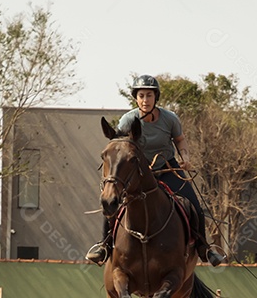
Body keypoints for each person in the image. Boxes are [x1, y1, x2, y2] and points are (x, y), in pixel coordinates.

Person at [87, 75, 226, 267]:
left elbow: (180, 140)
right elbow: (118, 146)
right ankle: (103, 246)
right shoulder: (128, 120)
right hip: (140, 173)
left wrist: (185, 156)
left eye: (149, 95)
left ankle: (204, 248)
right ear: (136, 98)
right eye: (141, 95)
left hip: (167, 168)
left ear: (156, 97)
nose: (145, 100)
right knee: (112, 202)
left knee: (193, 203)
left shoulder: (169, 119)